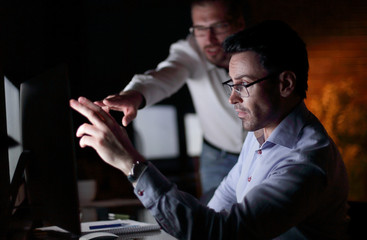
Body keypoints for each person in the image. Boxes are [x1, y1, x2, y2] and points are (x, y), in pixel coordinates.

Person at [70, 20, 350, 239]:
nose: (232, 98)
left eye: (243, 85)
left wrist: (130, 163)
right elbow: (216, 210)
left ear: (286, 84)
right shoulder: (260, 135)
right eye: (231, 84)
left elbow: (219, 233)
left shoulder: (305, 163)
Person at [95, 0, 247, 199]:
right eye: (200, 29)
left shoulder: (261, 50)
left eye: (218, 26)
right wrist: (135, 94)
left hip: (268, 149)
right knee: (215, 219)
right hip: (217, 156)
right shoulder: (190, 51)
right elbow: (165, 74)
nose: (209, 39)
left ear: (239, 23)